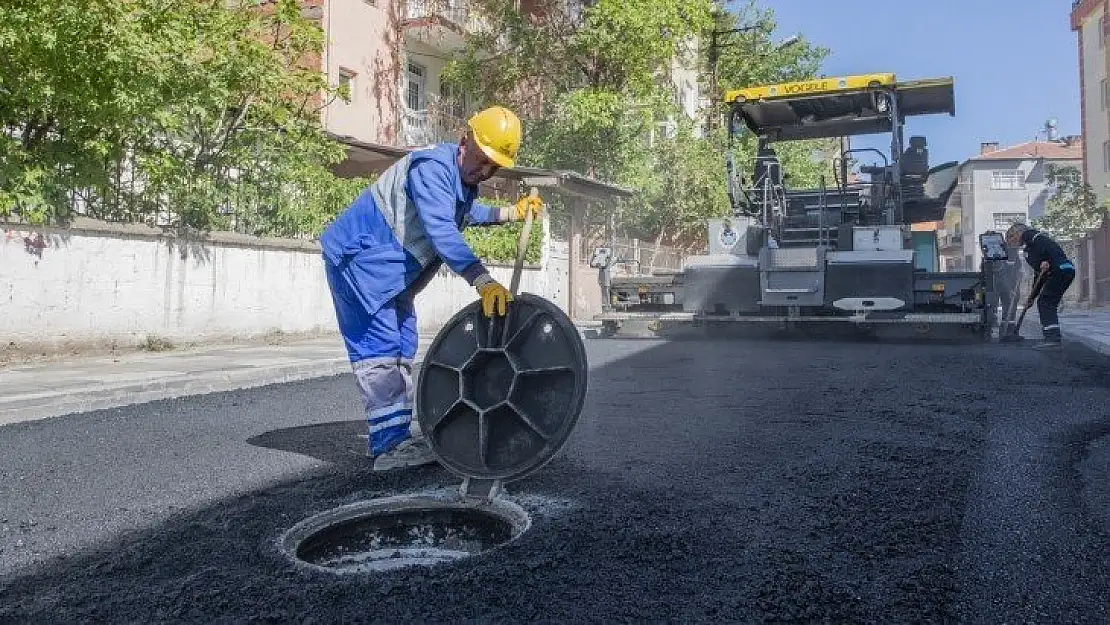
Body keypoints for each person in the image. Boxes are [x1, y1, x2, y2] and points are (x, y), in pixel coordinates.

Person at [319, 105, 544, 471]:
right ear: (465, 140)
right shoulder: (432, 168)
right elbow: (443, 230)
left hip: (392, 276)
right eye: (483, 159)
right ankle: (388, 447)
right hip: (361, 265)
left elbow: (465, 214)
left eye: (494, 167)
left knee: (403, 345)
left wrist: (512, 213)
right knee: (379, 353)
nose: (485, 170)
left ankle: (396, 434)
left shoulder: (459, 181)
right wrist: (482, 280)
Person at [1005, 223, 1076, 349]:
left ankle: (1053, 339)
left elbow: (1045, 248)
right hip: (1067, 269)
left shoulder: (1030, 236)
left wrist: (1048, 260)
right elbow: (1039, 276)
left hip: (1058, 270)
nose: (1010, 241)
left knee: (1045, 302)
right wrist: (1032, 297)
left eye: (1011, 236)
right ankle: (1053, 336)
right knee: (1048, 301)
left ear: (1018, 233)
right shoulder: (1031, 248)